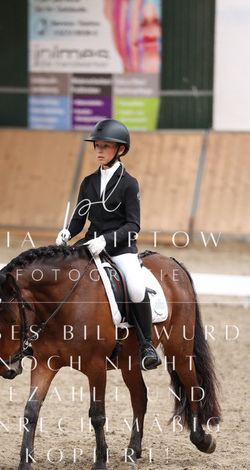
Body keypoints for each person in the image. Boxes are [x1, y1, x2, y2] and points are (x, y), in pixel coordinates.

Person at [56, 118, 161, 371]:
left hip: (120, 248)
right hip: (89, 243)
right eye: (97, 146)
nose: (99, 151)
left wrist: (106, 239)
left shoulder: (129, 183)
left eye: (105, 146)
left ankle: (146, 345)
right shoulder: (88, 182)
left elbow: (133, 225)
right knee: (58, 273)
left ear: (120, 149)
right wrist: (67, 232)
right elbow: (79, 220)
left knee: (135, 287)